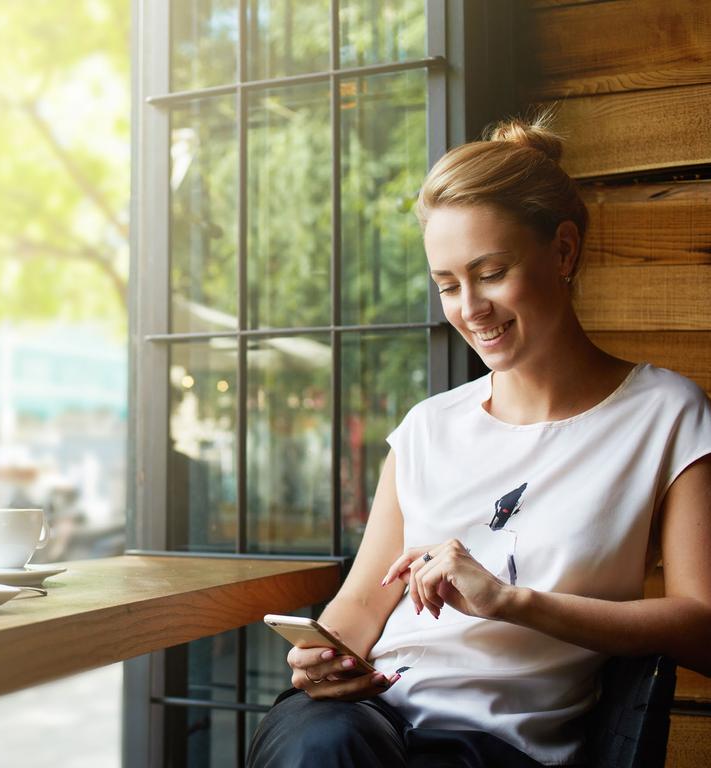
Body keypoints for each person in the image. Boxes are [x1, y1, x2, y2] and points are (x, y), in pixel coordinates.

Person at [246, 114, 711, 768]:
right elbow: (361, 600)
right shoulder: (427, 428)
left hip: (498, 746)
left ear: (563, 251)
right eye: (447, 285)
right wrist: (323, 658)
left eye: (490, 272)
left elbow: (702, 624)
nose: (469, 308)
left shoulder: (663, 415)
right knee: (324, 739)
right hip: (366, 720)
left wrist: (510, 601)